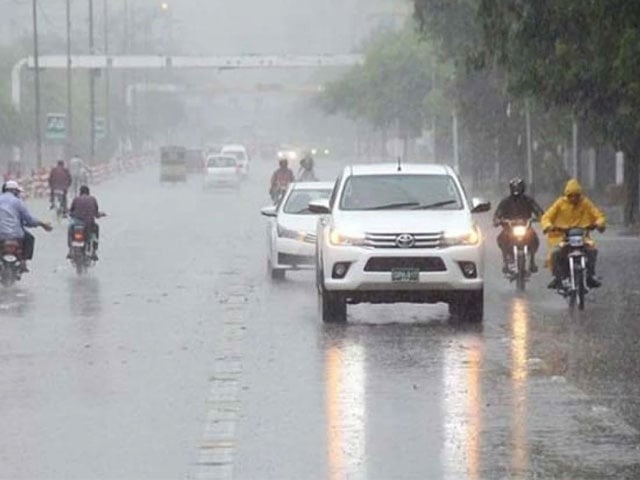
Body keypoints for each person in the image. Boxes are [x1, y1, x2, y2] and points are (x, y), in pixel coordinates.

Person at [541, 178, 606, 289]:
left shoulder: (585, 203)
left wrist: (598, 224)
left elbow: (599, 215)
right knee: (556, 253)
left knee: (592, 250)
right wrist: (548, 226)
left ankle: (590, 275)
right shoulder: (560, 203)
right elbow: (546, 217)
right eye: (571, 195)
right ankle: (558, 278)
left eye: (576, 195)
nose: (574, 198)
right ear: (567, 195)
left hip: (582, 237)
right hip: (563, 237)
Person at [493, 177, 544, 274]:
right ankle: (506, 261)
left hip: (526, 228)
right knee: (501, 238)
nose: (516, 190)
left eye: (518, 188)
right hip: (509, 229)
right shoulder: (506, 202)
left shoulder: (528, 200)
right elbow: (498, 213)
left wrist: (540, 217)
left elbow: (538, 211)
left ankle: (532, 261)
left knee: (535, 239)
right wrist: (498, 220)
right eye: (514, 188)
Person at [0, 180, 52, 271]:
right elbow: (29, 219)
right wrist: (42, 224)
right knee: (30, 238)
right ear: (14, 191)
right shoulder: (18, 202)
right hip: (16, 235)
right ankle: (24, 260)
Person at [68, 185, 104, 261]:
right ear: (88, 192)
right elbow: (96, 213)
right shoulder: (93, 199)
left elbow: (71, 212)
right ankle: (94, 250)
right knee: (96, 229)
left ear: (80, 192)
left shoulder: (76, 199)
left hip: (77, 223)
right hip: (89, 223)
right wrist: (100, 215)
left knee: (70, 230)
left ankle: (70, 249)